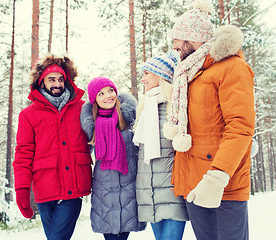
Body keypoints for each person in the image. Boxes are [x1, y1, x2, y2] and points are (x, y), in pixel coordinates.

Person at [163, 0, 256, 239]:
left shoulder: (231, 68)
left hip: (222, 184)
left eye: (178, 39)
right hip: (193, 186)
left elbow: (240, 127)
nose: (174, 45)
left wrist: (217, 177)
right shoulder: (189, 74)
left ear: (193, 39)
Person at [13, 54, 93, 240]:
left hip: (74, 186)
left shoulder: (82, 108)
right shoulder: (28, 115)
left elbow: (98, 135)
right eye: (51, 79)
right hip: (45, 187)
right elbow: (23, 154)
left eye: (61, 79)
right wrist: (22, 189)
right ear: (41, 82)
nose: (57, 83)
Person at [80, 77, 146, 240]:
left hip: (129, 190)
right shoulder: (91, 125)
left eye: (110, 91)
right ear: (94, 99)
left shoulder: (131, 120)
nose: (107, 96)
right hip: (104, 194)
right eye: (101, 93)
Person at [133, 51, 189, 240]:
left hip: (173, 192)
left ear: (161, 75)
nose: (143, 79)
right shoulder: (144, 108)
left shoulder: (175, 107)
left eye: (147, 73)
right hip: (149, 194)